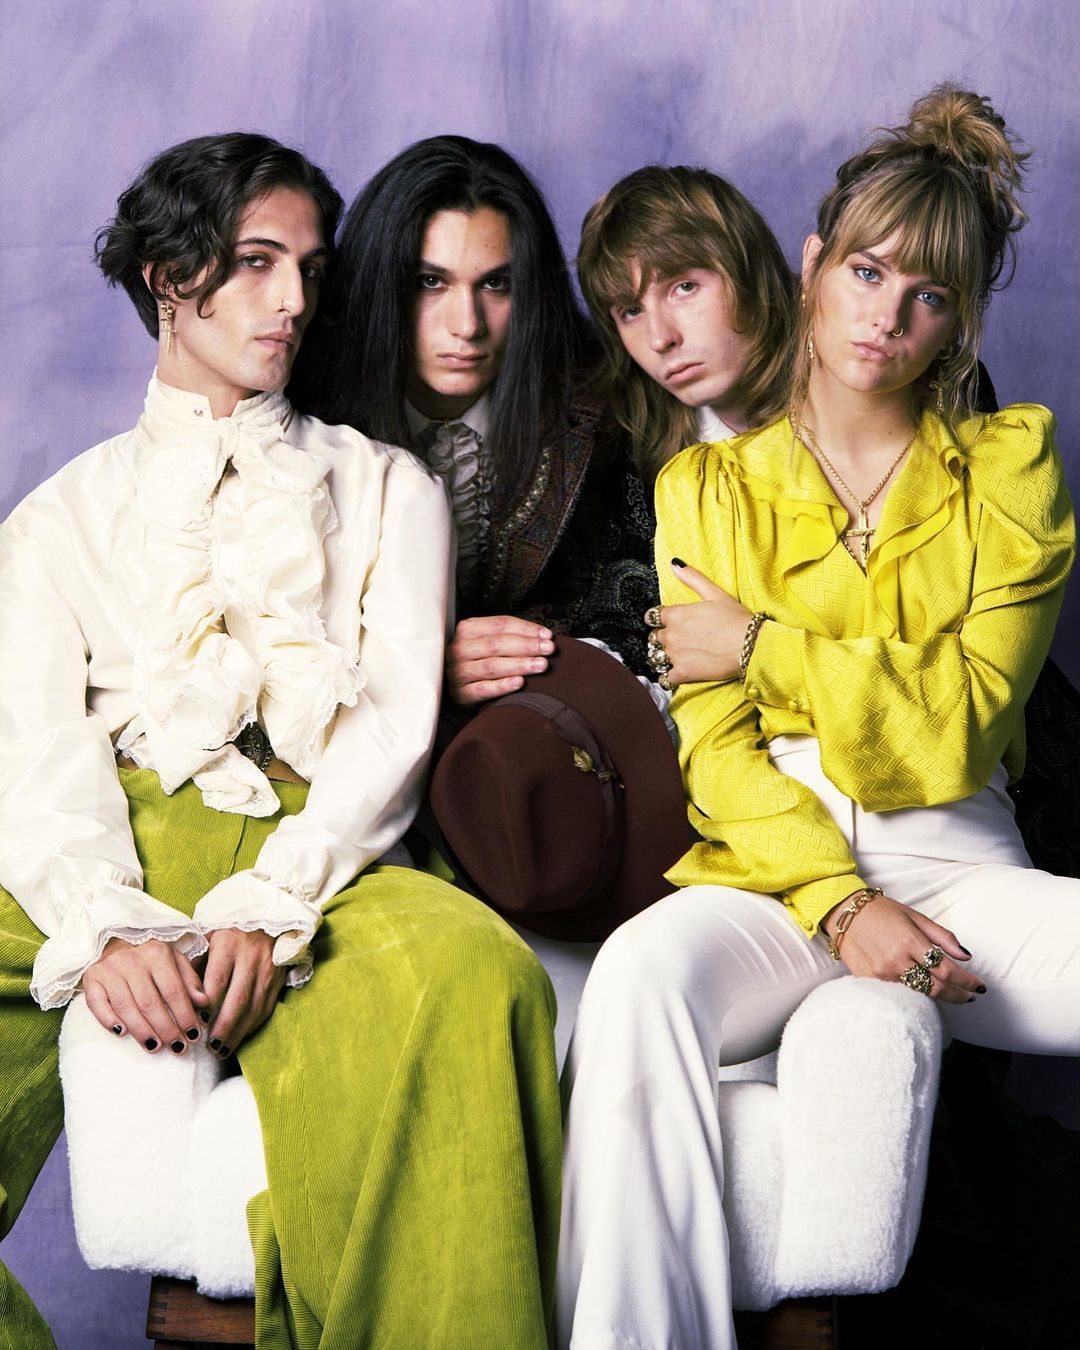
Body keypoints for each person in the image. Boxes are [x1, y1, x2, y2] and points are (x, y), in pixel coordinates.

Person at [0, 132, 561, 1350]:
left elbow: (391, 731)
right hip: (107, 835)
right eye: (257, 263)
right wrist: (104, 924)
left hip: (327, 844)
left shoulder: (388, 487)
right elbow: (39, 758)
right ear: (168, 276)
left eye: (309, 267)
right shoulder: (55, 521)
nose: (296, 299)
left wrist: (277, 898)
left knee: (478, 974)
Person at [556, 85, 1078, 1350]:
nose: (886, 318)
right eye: (867, 272)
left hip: (960, 859)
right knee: (638, 977)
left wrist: (761, 646)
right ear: (813, 265)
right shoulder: (707, 487)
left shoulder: (1010, 468)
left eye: (929, 295)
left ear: (962, 318)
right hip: (778, 880)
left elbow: (959, 727)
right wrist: (842, 906)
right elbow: (718, 750)